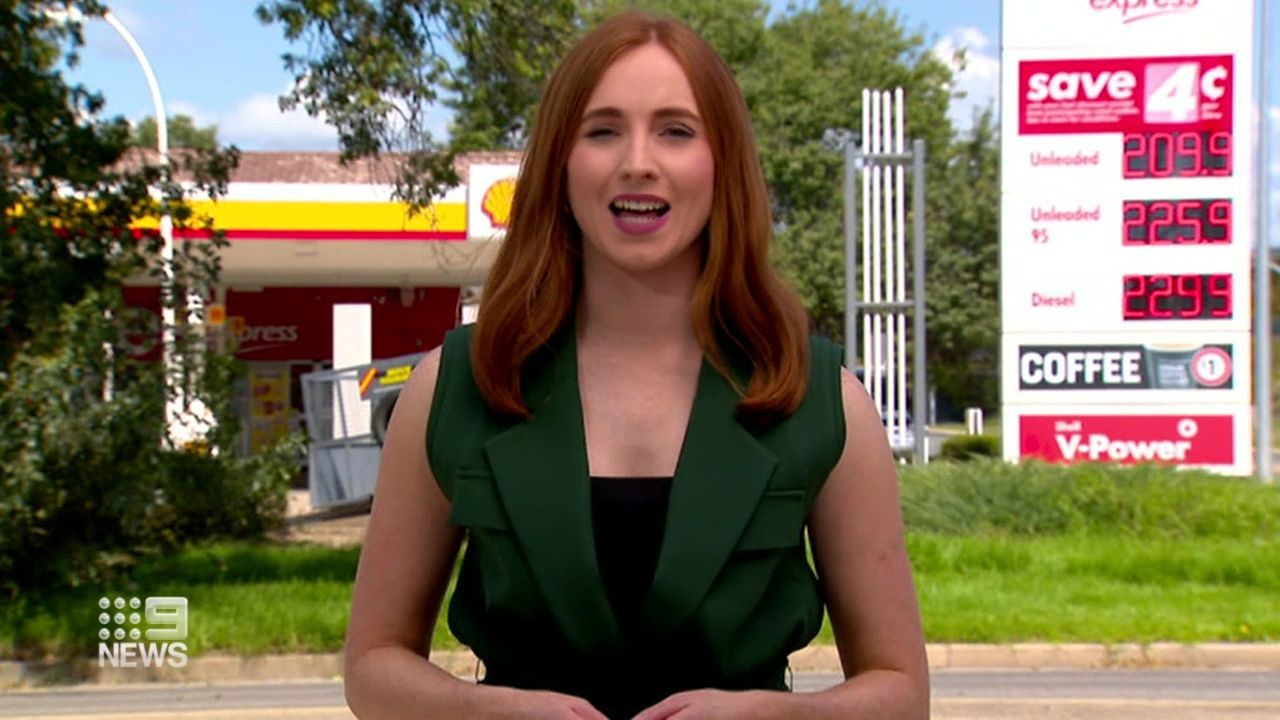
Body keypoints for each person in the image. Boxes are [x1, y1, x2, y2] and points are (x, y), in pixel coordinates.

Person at [344, 10, 928, 720]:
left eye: (676, 131)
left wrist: (769, 717)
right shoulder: (456, 388)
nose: (638, 162)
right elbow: (372, 666)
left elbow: (900, 692)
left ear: (722, 162)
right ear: (560, 163)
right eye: (602, 131)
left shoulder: (819, 400)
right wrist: (497, 713)